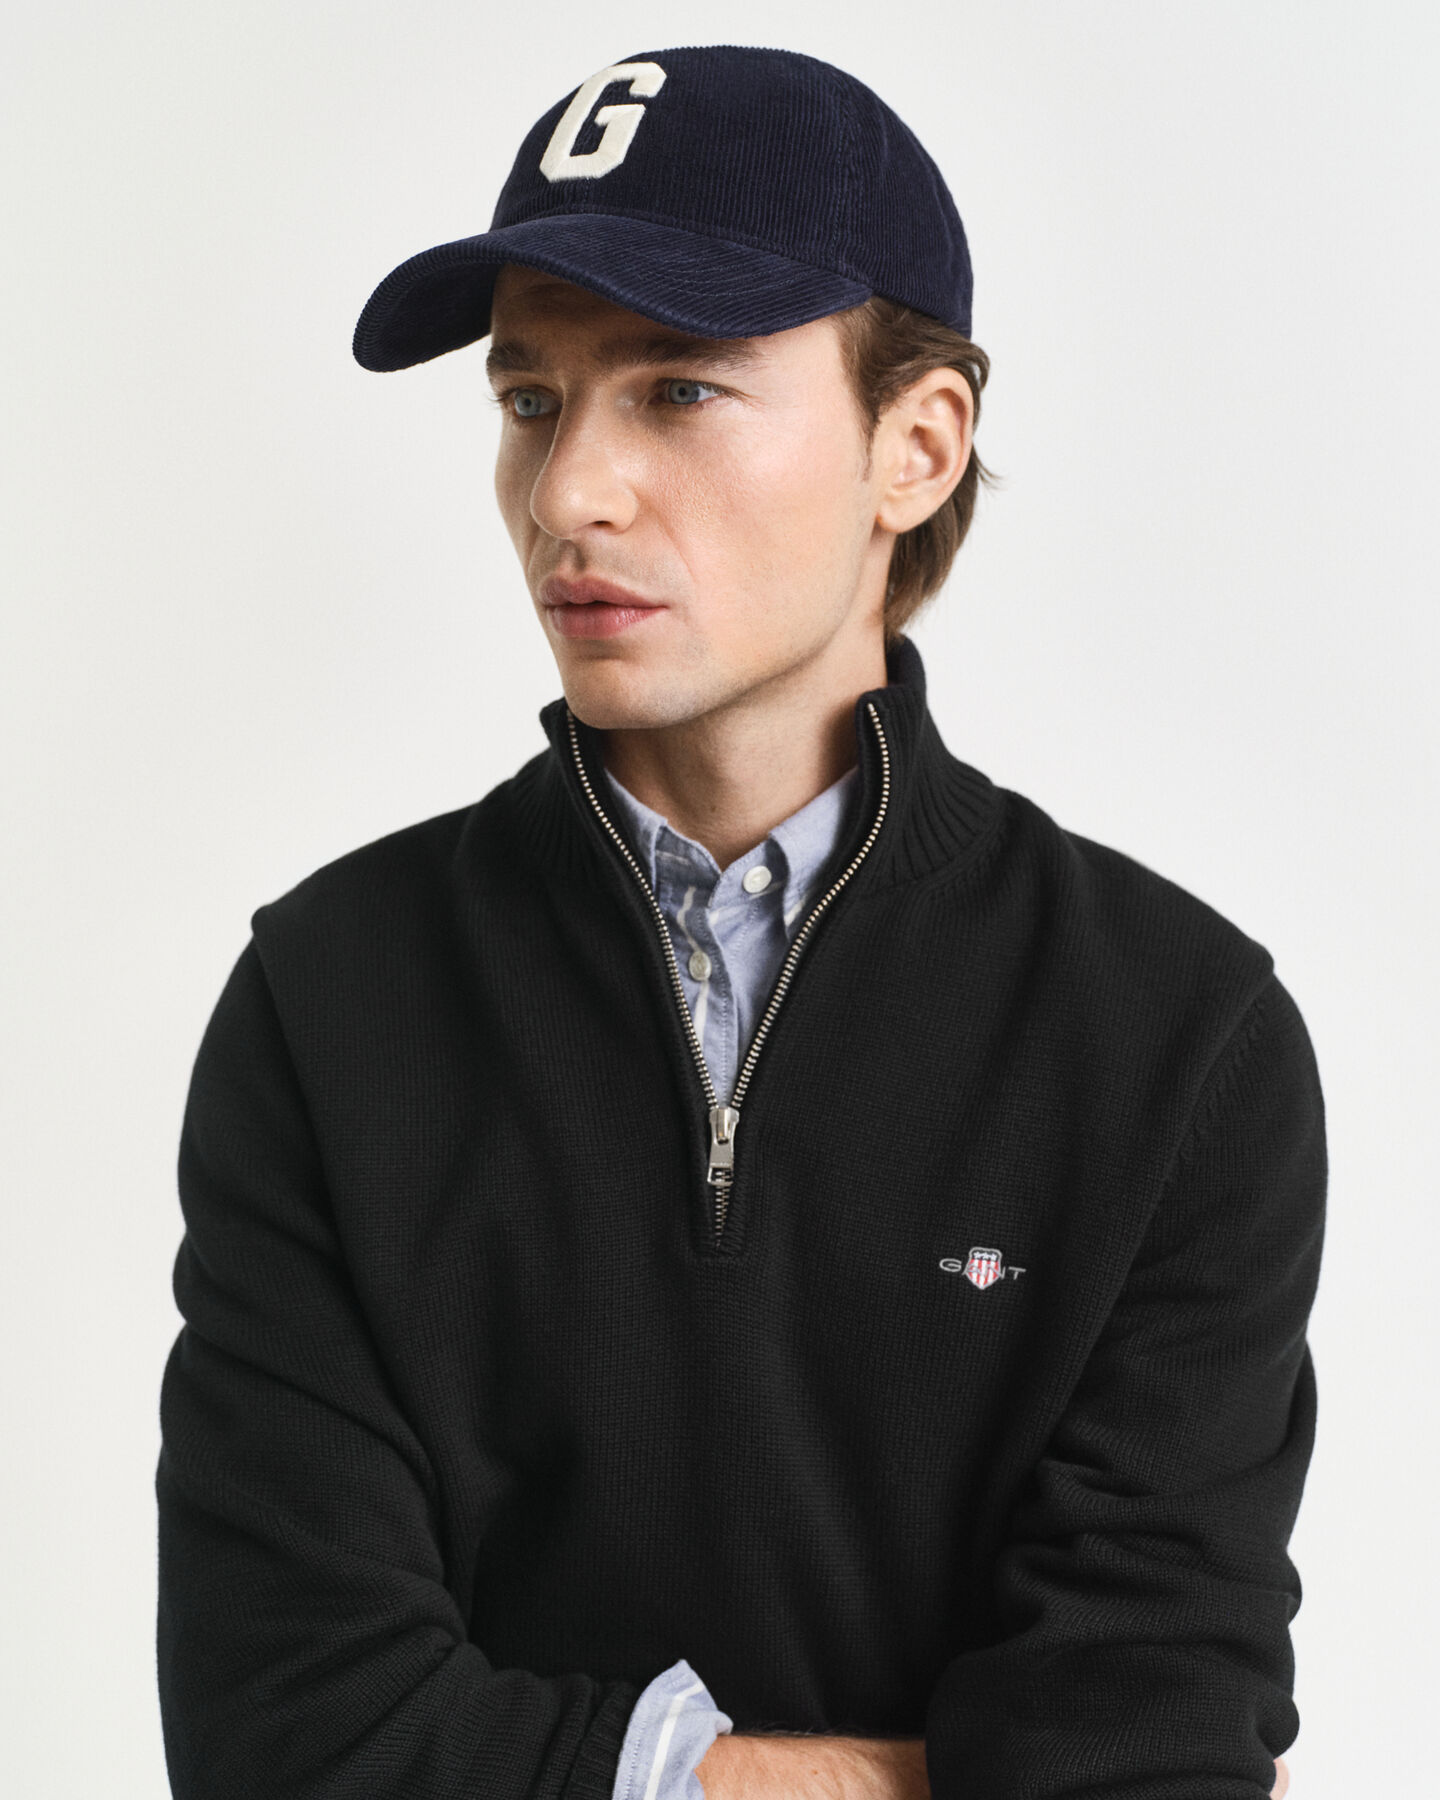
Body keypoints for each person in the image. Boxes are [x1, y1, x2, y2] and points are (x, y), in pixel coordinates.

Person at [155, 45, 1322, 1800]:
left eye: (680, 389)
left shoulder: (1174, 1038)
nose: (569, 494)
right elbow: (293, 1734)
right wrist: (916, 1778)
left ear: (915, 447)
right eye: (531, 399)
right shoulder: (331, 1002)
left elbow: (1148, 1749)